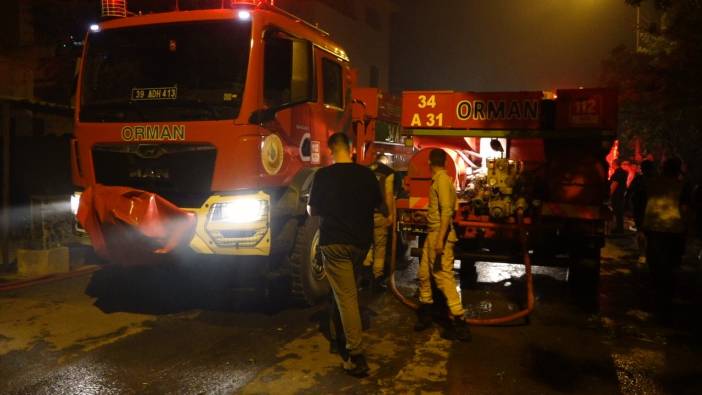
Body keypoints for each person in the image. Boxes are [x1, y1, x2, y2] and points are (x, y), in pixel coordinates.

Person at [307, 132, 381, 377]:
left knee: (345, 295)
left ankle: (356, 355)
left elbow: (312, 210)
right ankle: (340, 336)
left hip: (334, 242)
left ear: (330, 151)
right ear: (351, 150)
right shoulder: (367, 175)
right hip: (360, 243)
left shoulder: (323, 175)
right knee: (344, 291)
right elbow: (382, 207)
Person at [414, 148, 471, 341]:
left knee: (442, 277)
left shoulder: (442, 181)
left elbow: (447, 212)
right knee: (424, 275)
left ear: (429, 162)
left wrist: (439, 239)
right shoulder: (441, 181)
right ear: (445, 163)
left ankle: (459, 322)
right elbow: (441, 211)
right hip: (434, 233)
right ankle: (426, 313)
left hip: (440, 236)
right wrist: (425, 216)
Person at [642, 157, 690, 321]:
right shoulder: (683, 186)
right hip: (674, 231)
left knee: (655, 264)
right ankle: (666, 299)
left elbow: (641, 202)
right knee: (670, 265)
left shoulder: (651, 183)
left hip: (653, 229)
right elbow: (685, 209)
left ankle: (658, 298)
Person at [363, 154, 395, 291]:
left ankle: (364, 278)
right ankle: (377, 278)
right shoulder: (388, 173)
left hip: (365, 213)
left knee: (367, 244)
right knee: (380, 245)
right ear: (386, 162)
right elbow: (388, 194)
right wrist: (390, 214)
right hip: (380, 214)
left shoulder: (366, 170)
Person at [627, 159, 655, 263]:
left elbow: (630, 191)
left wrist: (627, 205)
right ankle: (647, 252)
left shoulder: (639, 179)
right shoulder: (655, 180)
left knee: (641, 231)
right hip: (649, 208)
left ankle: (643, 253)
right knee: (648, 231)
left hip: (641, 208)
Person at [610, 159, 629, 234]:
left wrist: (609, 194)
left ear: (615, 164)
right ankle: (620, 228)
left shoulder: (618, 173)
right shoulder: (624, 172)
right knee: (619, 212)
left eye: (612, 163)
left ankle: (618, 229)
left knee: (617, 212)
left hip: (616, 195)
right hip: (621, 194)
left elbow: (614, 184)